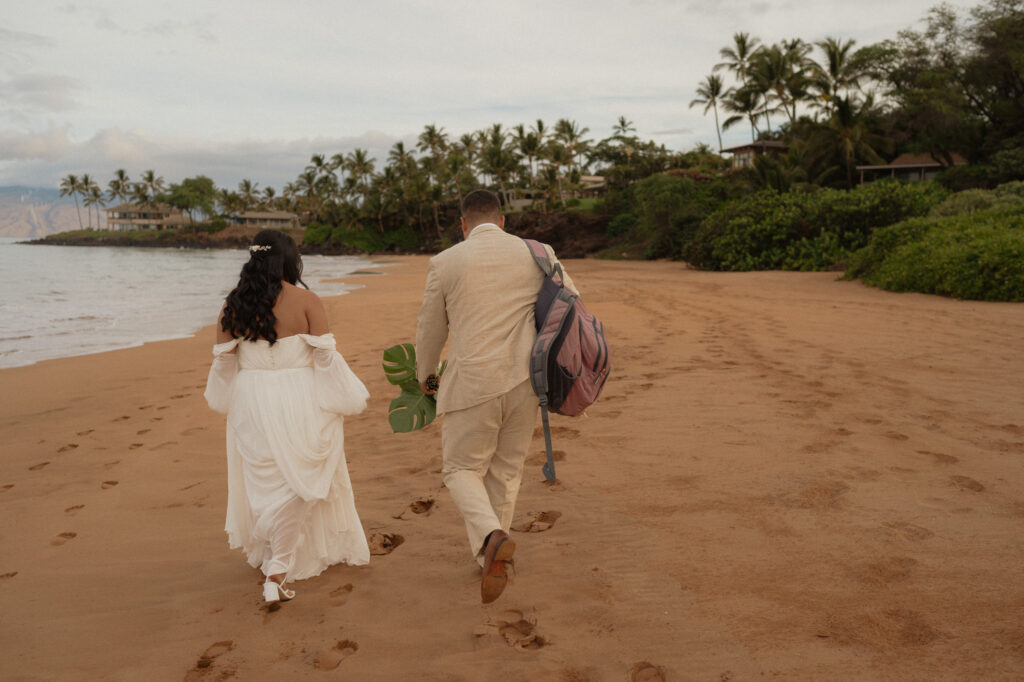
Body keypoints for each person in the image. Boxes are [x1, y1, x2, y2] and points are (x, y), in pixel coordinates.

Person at [415, 189, 577, 604]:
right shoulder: (538, 252)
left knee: (459, 469)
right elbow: (571, 302)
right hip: (528, 381)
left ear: (463, 225)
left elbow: (432, 329)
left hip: (472, 382)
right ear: (503, 221)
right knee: (505, 471)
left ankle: (491, 537)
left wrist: (425, 375)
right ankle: (490, 558)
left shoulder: (446, 261)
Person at [204, 229, 370, 603]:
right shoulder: (307, 300)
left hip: (251, 398)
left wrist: (228, 401)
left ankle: (274, 558)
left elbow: (224, 365)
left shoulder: (233, 305)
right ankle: (278, 569)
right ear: (288, 259)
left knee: (266, 481)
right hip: (300, 396)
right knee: (300, 477)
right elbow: (326, 359)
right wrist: (344, 396)